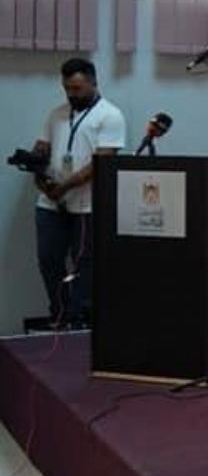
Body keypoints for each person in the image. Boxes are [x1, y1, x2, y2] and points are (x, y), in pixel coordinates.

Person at [34, 58, 126, 326]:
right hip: (51, 203)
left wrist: (64, 187)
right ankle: (60, 312)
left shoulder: (110, 115)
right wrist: (38, 173)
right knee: (48, 260)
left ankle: (77, 318)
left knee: (83, 265)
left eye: (77, 89)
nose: (71, 94)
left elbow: (101, 162)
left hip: (86, 206)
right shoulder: (56, 114)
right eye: (67, 89)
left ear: (93, 82)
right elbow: (41, 149)